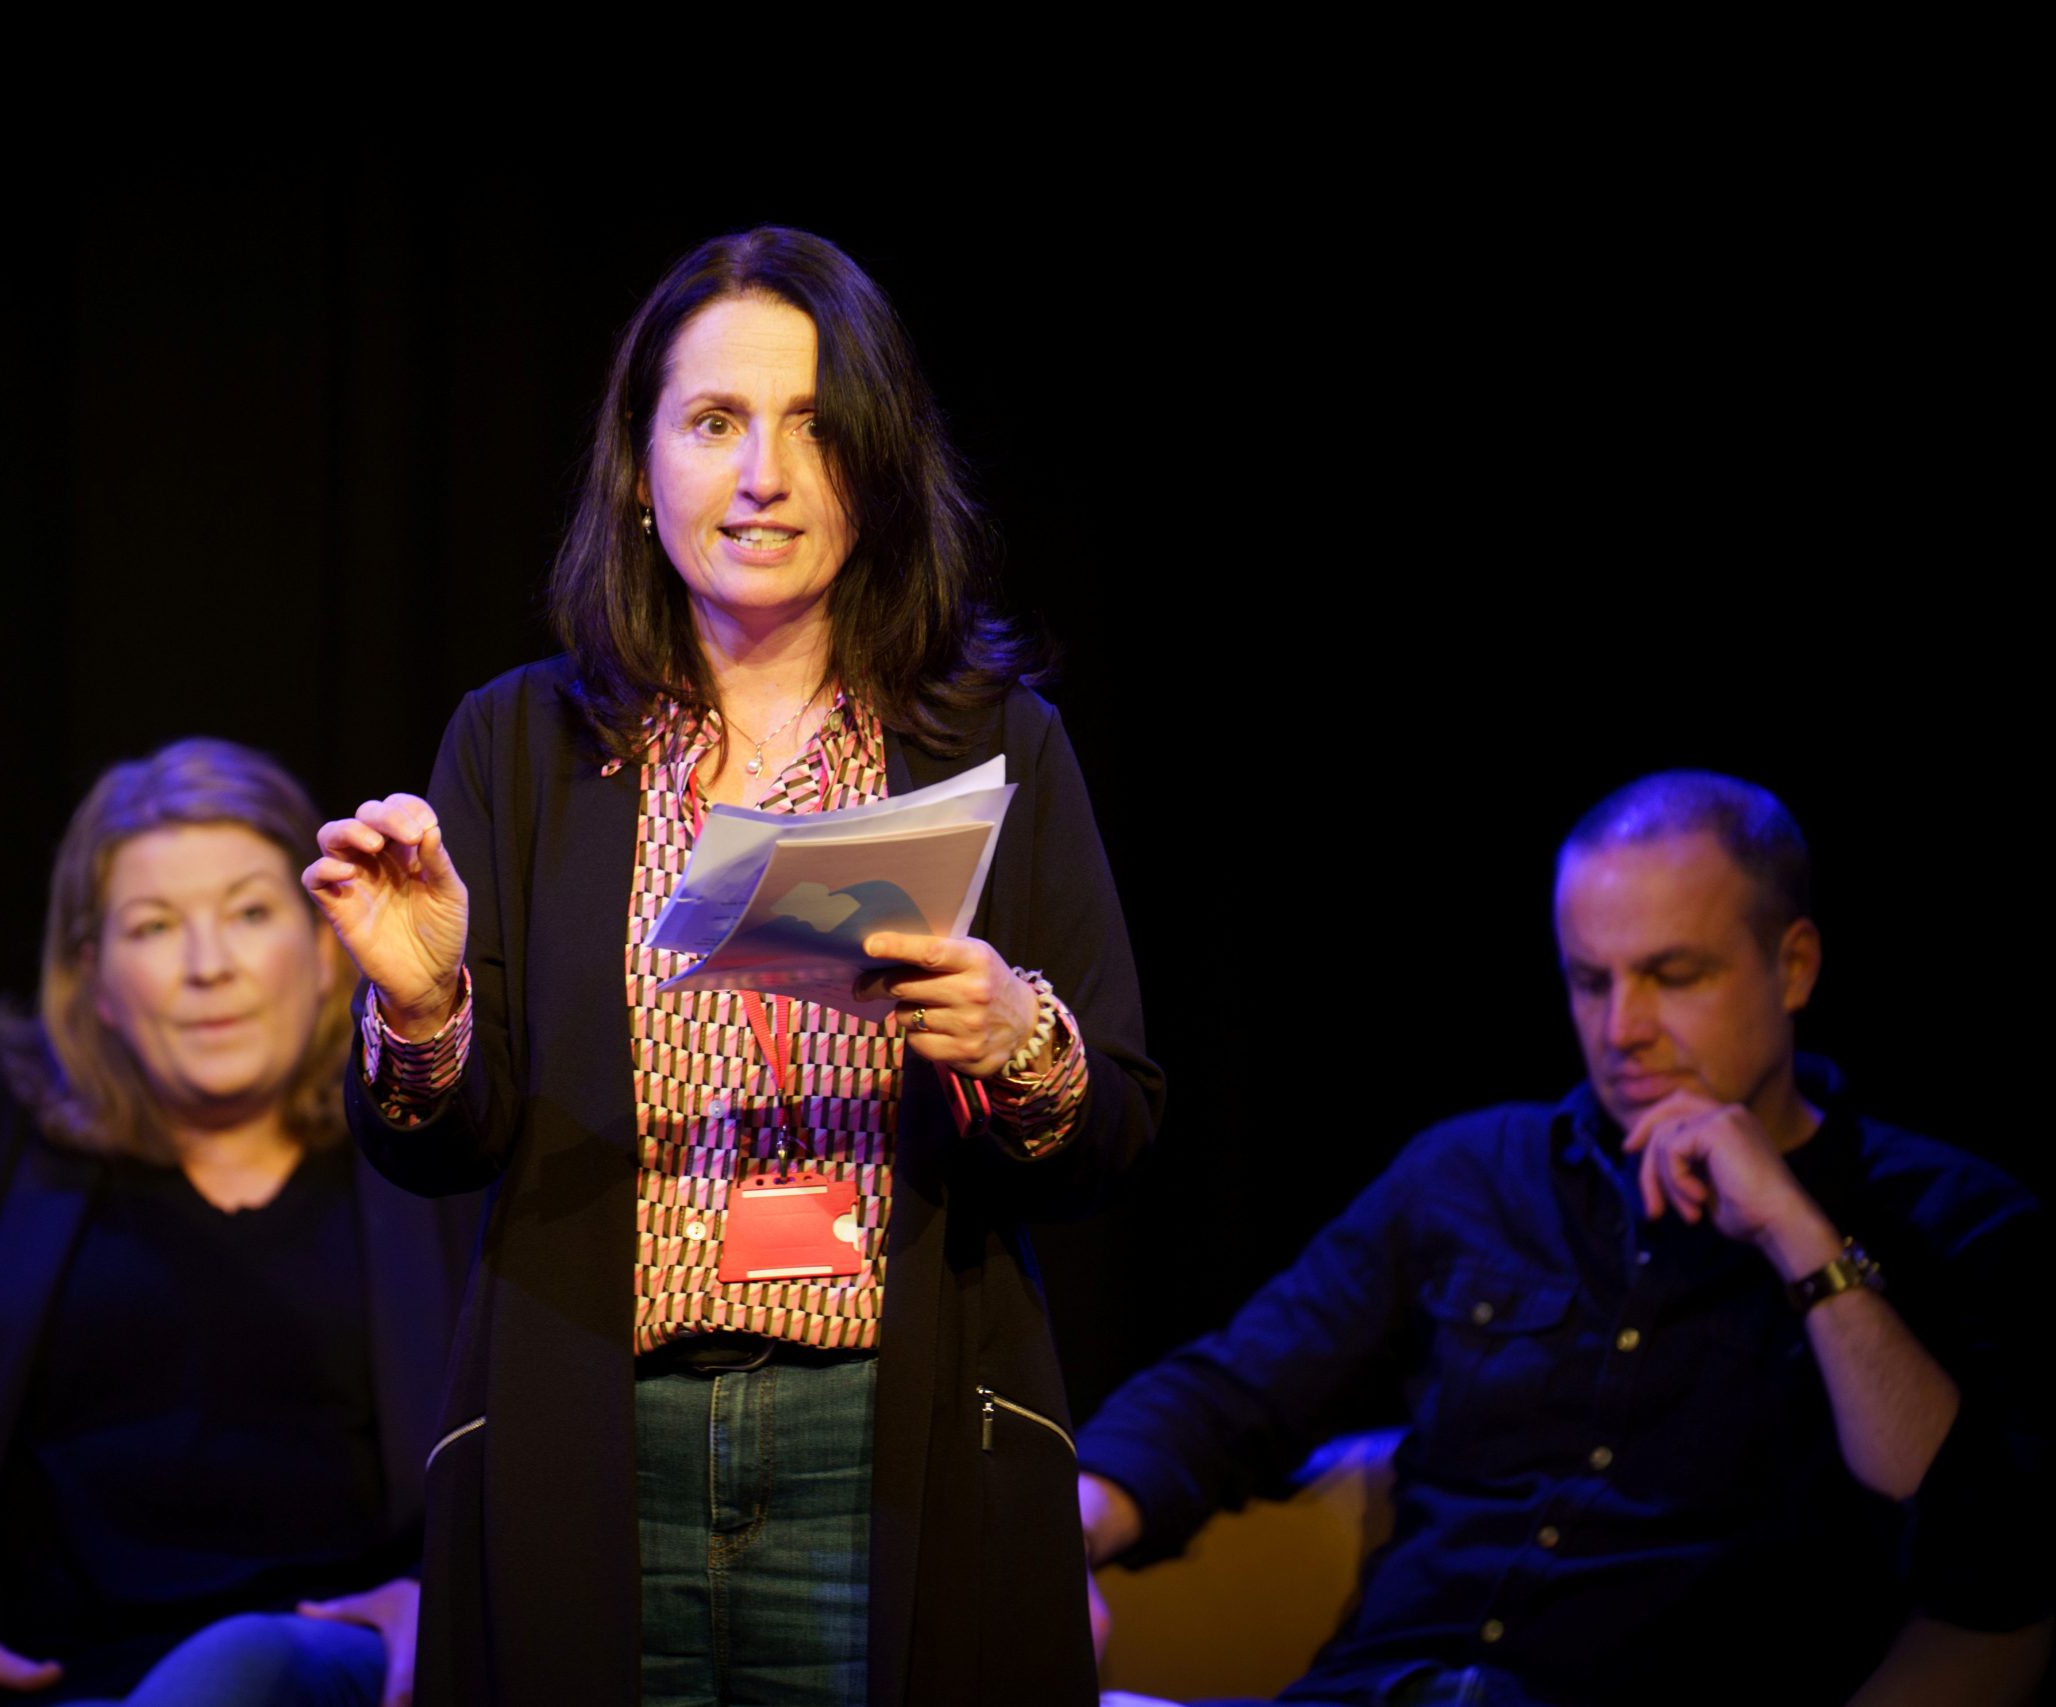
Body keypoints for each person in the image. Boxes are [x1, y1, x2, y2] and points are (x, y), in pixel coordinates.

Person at [301, 226, 1166, 1706]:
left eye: (814, 427)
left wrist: (1022, 1033)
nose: (762, 473)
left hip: (888, 1424)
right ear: (643, 473)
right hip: (596, 1419)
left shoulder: (992, 738)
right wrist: (424, 1002)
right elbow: (440, 1146)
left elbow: (1119, 1125)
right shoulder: (521, 743)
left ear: (876, 469)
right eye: (714, 423)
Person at [1077, 772, 2053, 1707]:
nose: (1621, 1028)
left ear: (1792, 966)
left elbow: (1986, 1553)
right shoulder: (1472, 1174)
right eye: (1590, 981)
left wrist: (1798, 1233)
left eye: (1674, 976)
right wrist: (1052, 1542)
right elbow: (1235, 1392)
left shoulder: (1948, 1218)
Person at [0, 739, 474, 1707]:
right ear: (95, 979)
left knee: (245, 1665)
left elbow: (543, 1434)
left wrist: (437, 1592)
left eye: (250, 913)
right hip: (49, 1679)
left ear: (330, 947)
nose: (209, 967)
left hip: (325, 1672)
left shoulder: (431, 1139)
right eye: (154, 927)